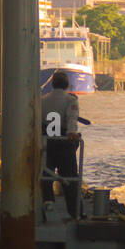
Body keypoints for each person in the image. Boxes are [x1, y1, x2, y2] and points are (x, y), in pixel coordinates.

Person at [40, 70, 81, 218]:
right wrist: (72, 133)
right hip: (63, 143)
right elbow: (72, 119)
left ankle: (47, 201)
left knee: (45, 174)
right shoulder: (71, 100)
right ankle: (75, 212)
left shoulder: (42, 100)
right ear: (67, 85)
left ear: (52, 84)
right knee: (70, 178)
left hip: (47, 142)